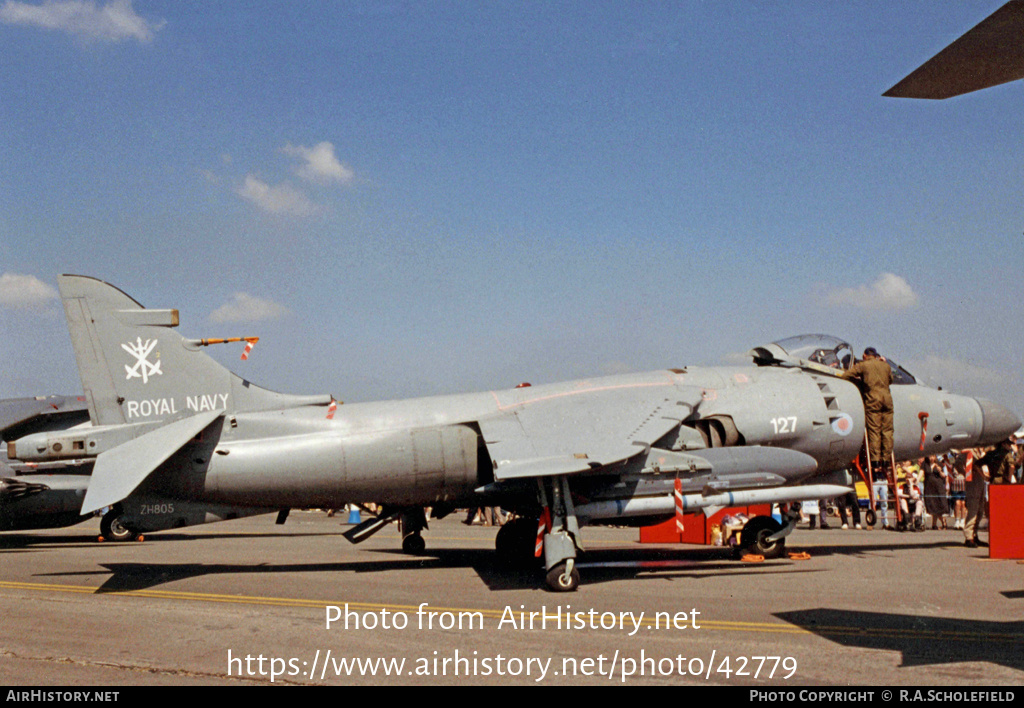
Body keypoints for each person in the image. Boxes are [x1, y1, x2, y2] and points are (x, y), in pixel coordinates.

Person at [923, 455, 948, 530]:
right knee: (933, 505)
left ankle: (943, 522)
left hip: (938, 487)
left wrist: (939, 470)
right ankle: (934, 524)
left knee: (939, 505)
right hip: (929, 487)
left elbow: (944, 475)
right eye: (930, 457)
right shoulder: (925, 464)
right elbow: (925, 472)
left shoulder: (939, 464)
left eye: (933, 457)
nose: (931, 458)